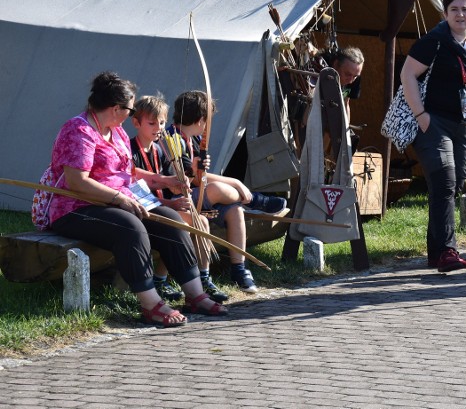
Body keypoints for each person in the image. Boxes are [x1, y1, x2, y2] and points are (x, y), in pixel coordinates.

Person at [47, 72, 227, 327]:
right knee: (130, 228)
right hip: (76, 208)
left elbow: (128, 173)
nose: (131, 114)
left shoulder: (116, 131)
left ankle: (195, 294)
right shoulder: (79, 130)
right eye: (130, 109)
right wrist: (119, 197)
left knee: (171, 220)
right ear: (115, 108)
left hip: (116, 202)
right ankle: (151, 303)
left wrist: (162, 181)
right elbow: (77, 182)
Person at [400, 0, 466, 272]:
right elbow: (407, 75)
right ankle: (448, 251)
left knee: (456, 178)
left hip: (464, 123)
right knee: (445, 179)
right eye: (454, 9)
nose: (460, 14)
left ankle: (435, 253)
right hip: (433, 121)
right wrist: (421, 115)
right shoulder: (433, 41)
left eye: (465, 9)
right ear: (444, 13)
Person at [169, 90, 287, 296]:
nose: (207, 127)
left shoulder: (192, 139)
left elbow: (201, 176)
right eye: (207, 121)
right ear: (200, 120)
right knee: (218, 189)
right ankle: (255, 200)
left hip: (197, 195)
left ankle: (239, 269)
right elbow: (196, 178)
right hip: (178, 199)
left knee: (234, 210)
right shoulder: (173, 139)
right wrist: (236, 183)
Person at [129, 94, 193, 302]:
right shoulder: (129, 150)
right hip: (143, 210)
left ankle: (201, 277)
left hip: (159, 205)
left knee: (199, 221)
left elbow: (167, 186)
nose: (158, 127)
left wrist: (180, 186)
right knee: (181, 223)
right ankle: (159, 279)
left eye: (162, 122)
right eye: (152, 123)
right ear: (136, 123)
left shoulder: (159, 149)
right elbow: (137, 192)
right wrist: (171, 203)